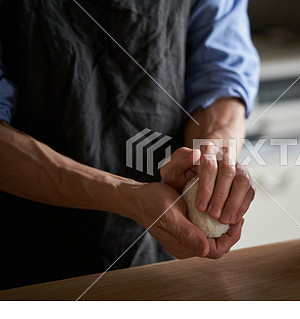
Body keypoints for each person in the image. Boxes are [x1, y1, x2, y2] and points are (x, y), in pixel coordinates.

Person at [0, 0, 259, 289]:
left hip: (156, 253)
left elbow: (219, 74)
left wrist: (213, 156)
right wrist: (128, 196)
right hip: (23, 255)